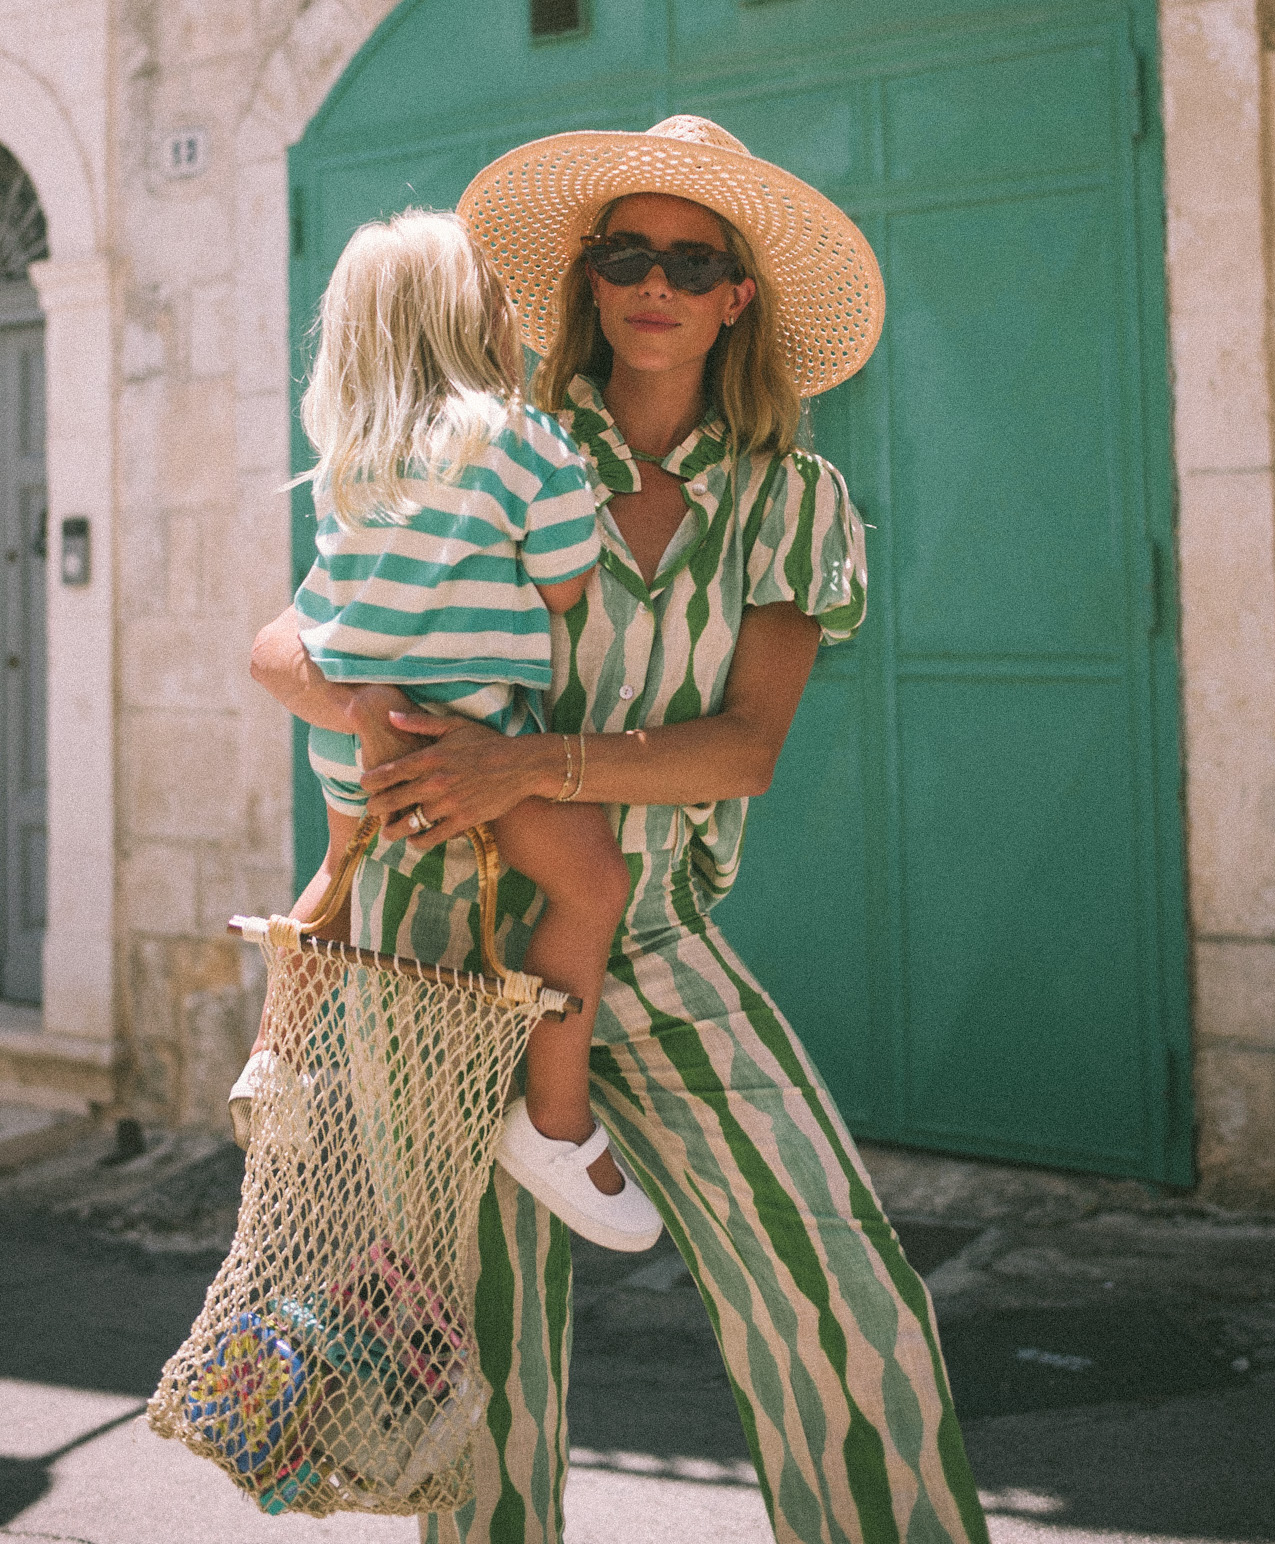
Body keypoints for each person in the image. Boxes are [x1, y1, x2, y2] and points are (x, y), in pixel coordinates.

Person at [251, 117, 989, 1544]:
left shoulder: (792, 502)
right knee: (486, 1365)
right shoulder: (491, 446)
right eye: (625, 254)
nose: (655, 281)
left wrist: (521, 765)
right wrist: (394, 732)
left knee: (842, 1291)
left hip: (640, 925)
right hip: (436, 953)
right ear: (587, 286)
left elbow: (745, 752)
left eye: (692, 259)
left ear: (738, 297)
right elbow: (289, 640)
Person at [234, 208, 662, 1250]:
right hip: (462, 741)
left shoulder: (350, 461)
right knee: (593, 883)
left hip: (349, 736)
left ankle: (275, 1060)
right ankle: (554, 1121)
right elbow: (565, 589)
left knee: (332, 877)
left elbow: (322, 606)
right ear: (475, 321)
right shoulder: (524, 443)